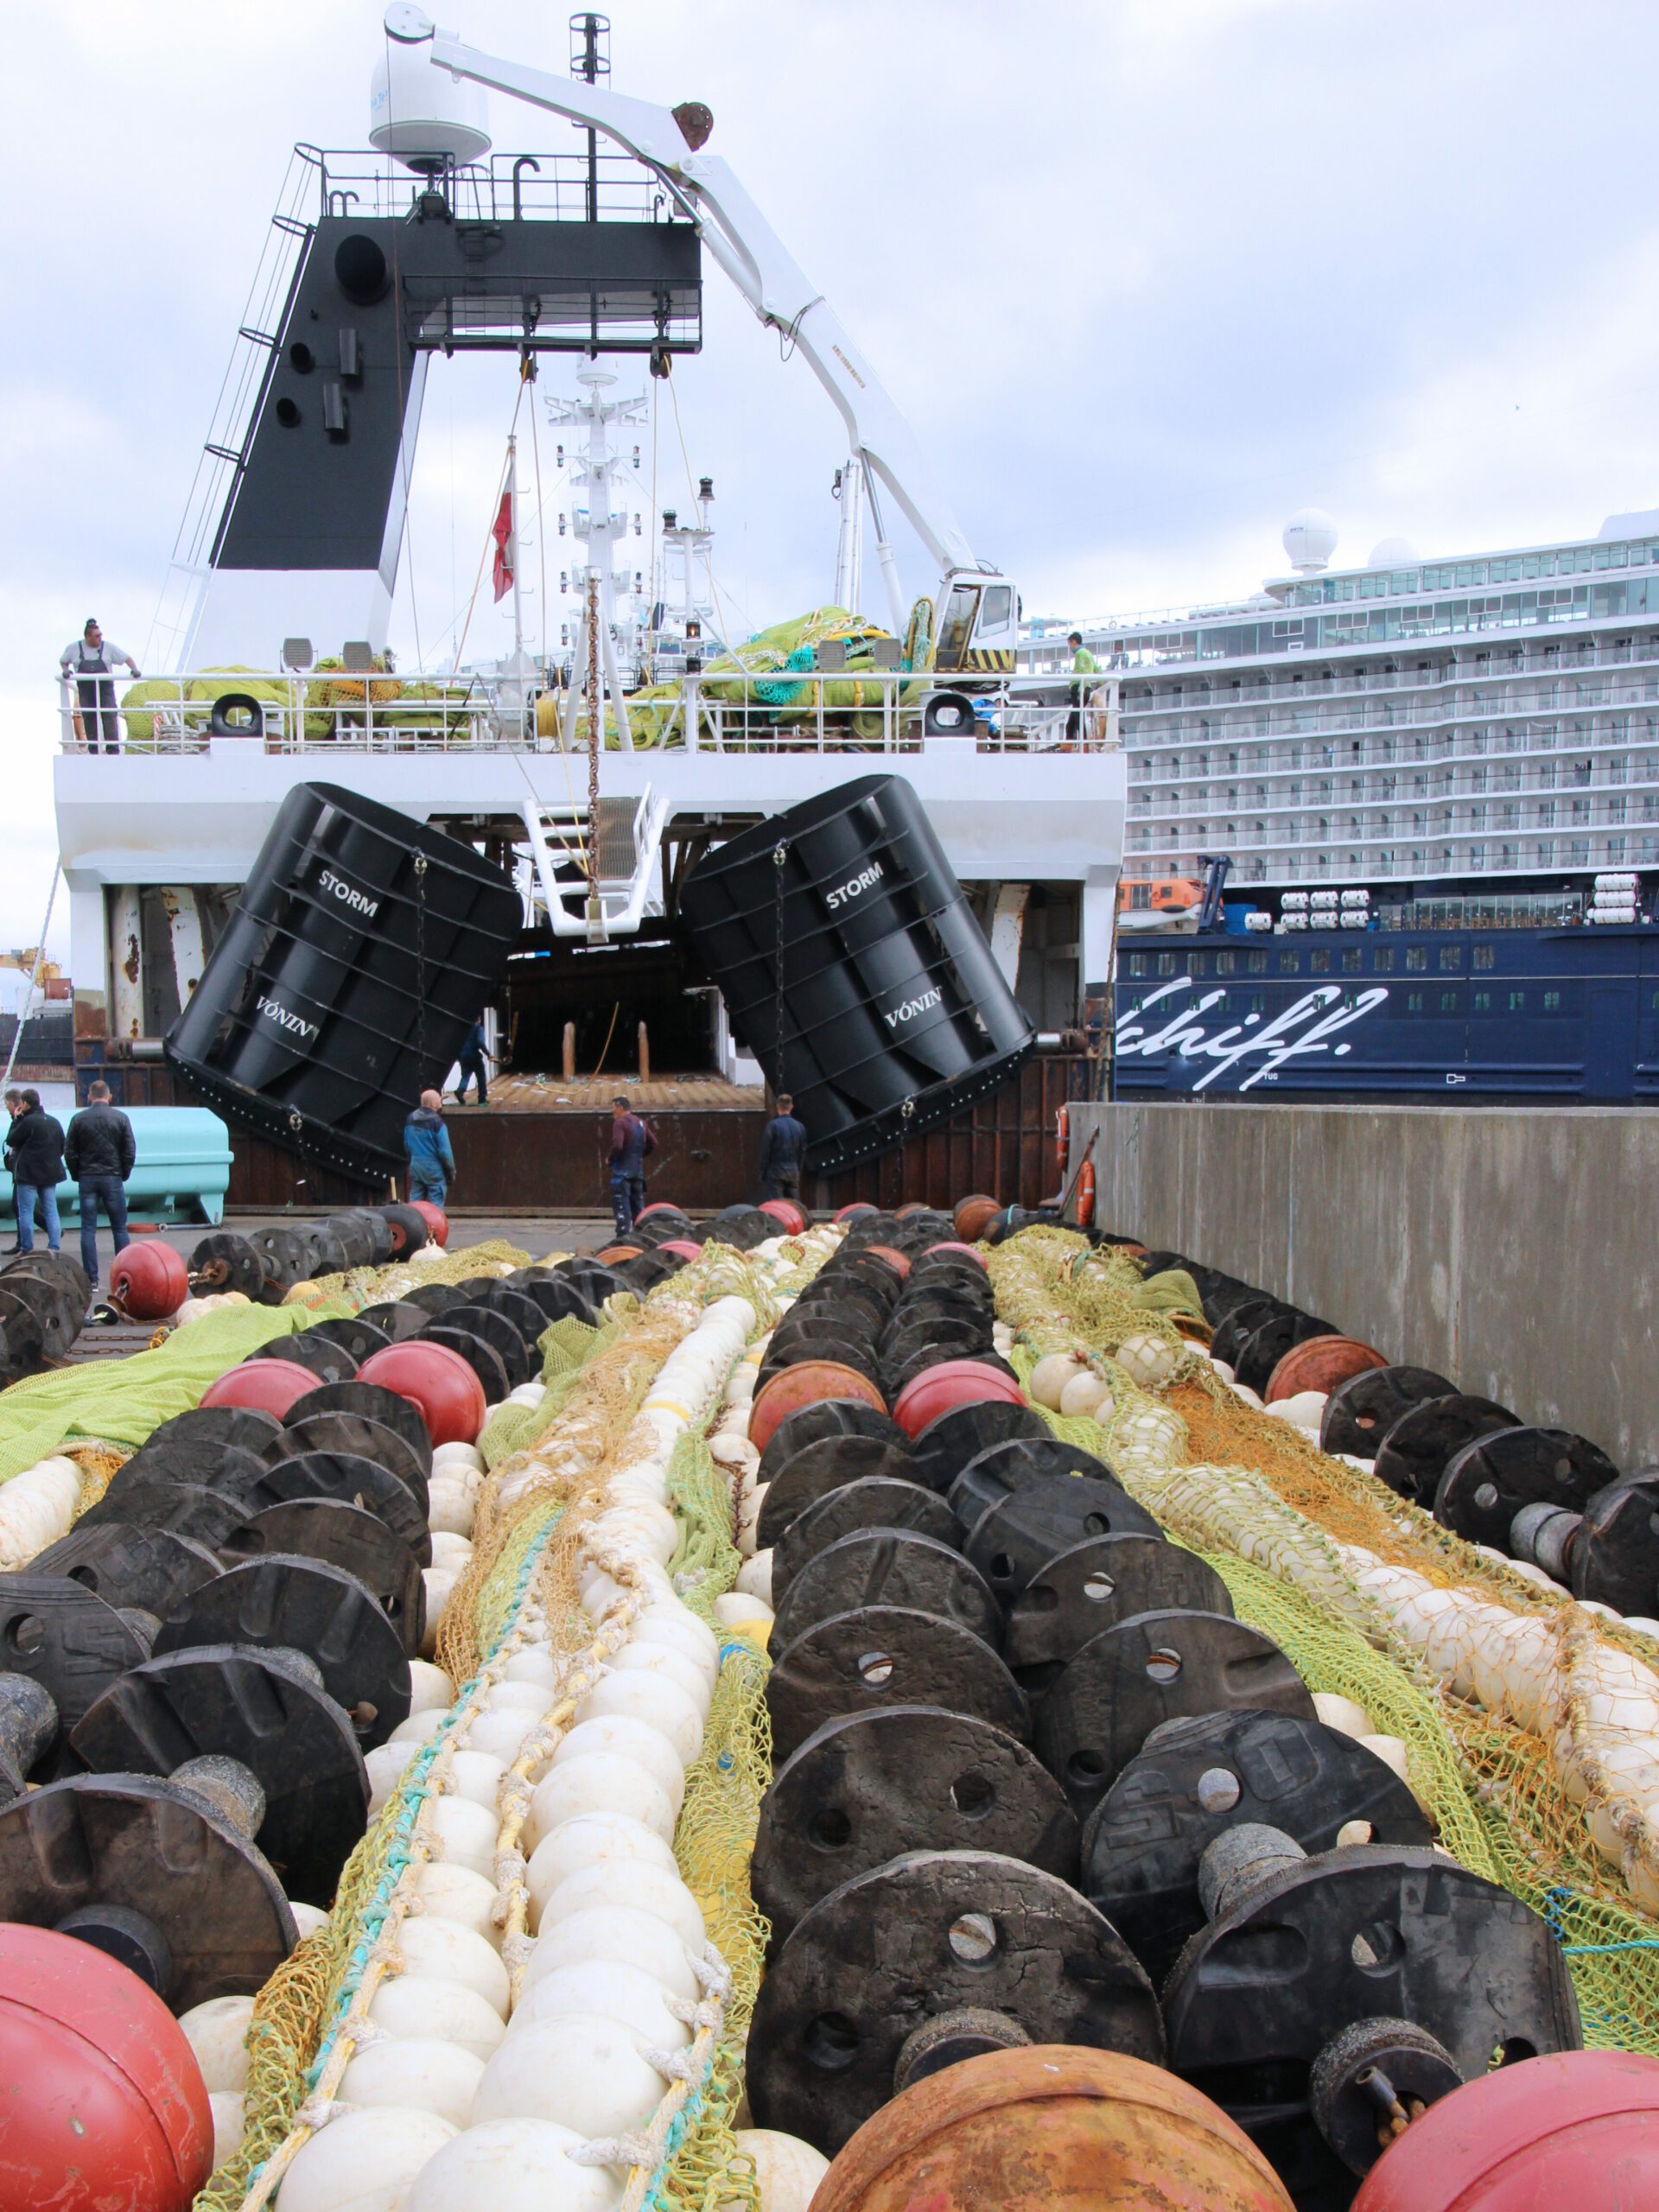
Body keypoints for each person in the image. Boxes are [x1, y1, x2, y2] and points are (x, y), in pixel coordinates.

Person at [65, 1080, 135, 1292]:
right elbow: (129, 1151)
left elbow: (69, 1152)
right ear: (110, 1096)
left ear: (89, 1097)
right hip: (112, 1177)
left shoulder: (78, 1119)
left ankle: (91, 1279)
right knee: (119, 1228)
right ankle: (125, 1278)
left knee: (88, 1228)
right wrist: (123, 1173)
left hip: (88, 1177)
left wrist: (78, 1174)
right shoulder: (121, 1118)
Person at [60, 620, 140, 753]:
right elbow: (63, 661)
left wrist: (134, 670)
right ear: (87, 637)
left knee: (109, 716)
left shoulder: (108, 647)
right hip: (86, 690)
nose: (100, 638)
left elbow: (127, 658)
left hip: (105, 689)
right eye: (96, 636)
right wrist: (66, 670)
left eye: (100, 635)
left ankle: (113, 750)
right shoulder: (74, 648)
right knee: (89, 717)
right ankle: (94, 750)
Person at [10, 1090, 66, 1255]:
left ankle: (26, 1247)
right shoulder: (54, 1122)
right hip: (50, 1173)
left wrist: (16, 1119)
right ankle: (54, 1246)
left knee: (25, 1211)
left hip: (28, 1174)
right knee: (51, 1209)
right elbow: (63, 1146)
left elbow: (12, 1140)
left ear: (25, 1104)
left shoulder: (27, 1122)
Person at [608, 1092, 656, 1238]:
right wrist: (639, 1156)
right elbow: (654, 1143)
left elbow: (617, 1145)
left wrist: (609, 1159)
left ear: (620, 1107)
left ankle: (623, 1239)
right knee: (638, 1206)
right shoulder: (641, 1123)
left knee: (622, 1205)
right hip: (637, 1171)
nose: (612, 1112)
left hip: (622, 1172)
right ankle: (642, 1237)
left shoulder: (620, 1123)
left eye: (613, 1108)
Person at [404, 1089, 456, 1211]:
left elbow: (407, 1145)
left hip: (416, 1165)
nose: (441, 1099)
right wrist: (451, 1172)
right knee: (436, 1204)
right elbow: (445, 1152)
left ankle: (412, 1226)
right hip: (433, 1169)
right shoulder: (437, 1123)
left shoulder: (410, 1119)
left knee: (415, 1202)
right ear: (433, 1104)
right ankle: (435, 1229)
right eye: (439, 1097)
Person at [758, 1092, 807, 1203]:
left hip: (776, 1172)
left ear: (777, 1106)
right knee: (795, 1206)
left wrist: (762, 1172)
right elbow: (802, 1151)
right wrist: (798, 1169)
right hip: (793, 1171)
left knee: (777, 1206)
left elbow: (765, 1151)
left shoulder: (773, 1126)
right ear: (791, 1107)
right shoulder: (800, 1127)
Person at [1066, 629, 1098, 746]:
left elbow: (1083, 670)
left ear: (1074, 642)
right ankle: (1072, 741)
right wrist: (1100, 683)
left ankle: (1080, 742)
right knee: (1074, 718)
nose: (1070, 647)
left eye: (1069, 644)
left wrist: (1081, 688)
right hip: (1086, 687)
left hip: (1079, 688)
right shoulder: (1089, 654)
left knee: (1077, 717)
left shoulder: (1080, 653)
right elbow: (1096, 669)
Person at [454, 1017, 493, 1106]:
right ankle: (482, 1099)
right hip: (474, 1056)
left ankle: (460, 1091)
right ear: (478, 1019)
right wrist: (488, 1054)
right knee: (481, 1077)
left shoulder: (463, 1028)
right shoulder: (478, 1028)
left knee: (465, 1076)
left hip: (463, 1056)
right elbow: (480, 1042)